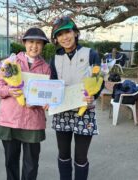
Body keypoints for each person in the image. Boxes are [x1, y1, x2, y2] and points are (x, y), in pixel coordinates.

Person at [49, 16, 104, 180]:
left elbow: (98, 80)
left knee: (81, 157)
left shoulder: (91, 54)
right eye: (59, 35)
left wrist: (93, 95)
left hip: (85, 111)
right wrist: (48, 100)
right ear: (56, 39)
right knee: (63, 154)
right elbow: (52, 83)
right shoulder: (55, 58)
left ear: (75, 32)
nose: (64, 37)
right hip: (62, 111)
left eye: (67, 32)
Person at [0, 27, 51, 180]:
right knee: (11, 161)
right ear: (24, 43)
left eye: (39, 43)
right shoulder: (9, 62)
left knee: (31, 163)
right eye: (31, 42)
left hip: (33, 122)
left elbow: (47, 94)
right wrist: (9, 91)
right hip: (10, 120)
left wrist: (42, 103)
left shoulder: (46, 68)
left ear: (43, 46)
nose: (34, 46)